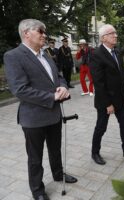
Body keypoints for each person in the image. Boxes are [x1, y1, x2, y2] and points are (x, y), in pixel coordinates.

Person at [3, 19, 77, 200]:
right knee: (35, 157)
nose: (45, 35)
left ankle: (58, 174)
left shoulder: (46, 55)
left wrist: (63, 86)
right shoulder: (13, 56)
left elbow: (58, 76)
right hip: (33, 118)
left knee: (55, 149)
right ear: (26, 33)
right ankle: (37, 190)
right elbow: (20, 89)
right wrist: (51, 97)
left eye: (45, 31)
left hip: (54, 114)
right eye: (41, 31)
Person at [89, 24, 124, 165]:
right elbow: (98, 83)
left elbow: (122, 76)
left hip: (120, 98)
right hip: (105, 100)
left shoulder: (117, 52)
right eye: (112, 33)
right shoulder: (96, 55)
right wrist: (108, 104)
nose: (116, 36)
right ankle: (95, 152)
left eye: (115, 33)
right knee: (101, 127)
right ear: (104, 37)